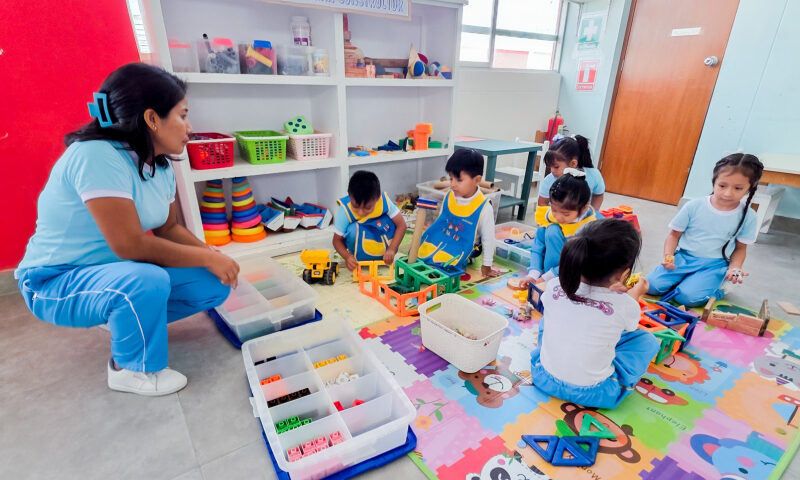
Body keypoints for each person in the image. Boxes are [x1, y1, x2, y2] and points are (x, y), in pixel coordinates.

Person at [15, 63, 238, 396]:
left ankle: (124, 318)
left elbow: (169, 228)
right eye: (182, 115)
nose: (189, 127)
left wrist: (210, 256)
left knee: (213, 284)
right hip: (53, 281)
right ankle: (129, 368)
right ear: (151, 119)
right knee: (147, 280)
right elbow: (129, 246)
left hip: (109, 274)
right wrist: (205, 257)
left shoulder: (159, 163)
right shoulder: (96, 156)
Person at [531, 219, 660, 409]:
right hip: (595, 393)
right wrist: (637, 292)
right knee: (647, 341)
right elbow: (629, 327)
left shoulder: (554, 286)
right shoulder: (624, 304)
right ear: (623, 275)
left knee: (548, 321)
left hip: (543, 377)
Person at [647, 153, 763, 306]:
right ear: (714, 181)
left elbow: (741, 248)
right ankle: (690, 282)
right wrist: (668, 256)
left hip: (715, 264)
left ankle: (720, 288)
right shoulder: (694, 206)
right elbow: (674, 235)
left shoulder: (749, 216)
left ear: (750, 188)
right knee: (652, 286)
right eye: (722, 186)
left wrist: (734, 268)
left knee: (687, 299)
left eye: (738, 188)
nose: (728, 193)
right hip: (684, 258)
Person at [417, 149, 497, 276]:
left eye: (459, 180)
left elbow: (489, 239)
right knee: (420, 252)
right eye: (451, 178)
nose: (452, 184)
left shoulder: (484, 207)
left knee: (443, 266)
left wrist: (487, 265)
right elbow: (442, 220)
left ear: (477, 180)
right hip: (444, 236)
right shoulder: (449, 195)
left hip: (463, 246)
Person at [527, 170, 598, 283]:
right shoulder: (549, 217)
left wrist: (547, 278)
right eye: (554, 210)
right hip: (549, 274)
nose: (558, 217)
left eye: (566, 214)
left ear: (583, 208)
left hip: (576, 277)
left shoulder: (589, 228)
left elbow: (577, 263)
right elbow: (538, 246)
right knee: (552, 230)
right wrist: (534, 274)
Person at [332, 170, 406, 271]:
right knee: (352, 230)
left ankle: (386, 254)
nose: (361, 212)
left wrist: (392, 249)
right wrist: (347, 257)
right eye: (355, 206)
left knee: (393, 221)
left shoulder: (384, 201)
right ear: (349, 197)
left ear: (377, 198)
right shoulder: (345, 210)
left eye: (367, 208)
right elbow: (336, 240)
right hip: (358, 252)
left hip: (385, 248)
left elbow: (401, 225)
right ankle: (358, 257)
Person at [537, 135, 605, 211]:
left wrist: (594, 211)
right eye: (550, 167)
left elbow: (598, 195)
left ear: (573, 164)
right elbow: (542, 203)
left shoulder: (593, 175)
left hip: (582, 218)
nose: (552, 171)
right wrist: (553, 216)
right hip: (556, 218)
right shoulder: (549, 180)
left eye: (556, 167)